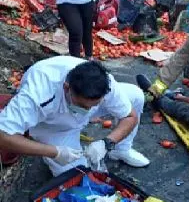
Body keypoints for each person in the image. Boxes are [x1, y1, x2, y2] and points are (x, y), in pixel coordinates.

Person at [0, 57, 150, 177]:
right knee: (76, 175)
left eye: (94, 104)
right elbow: (4, 135)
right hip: (53, 125)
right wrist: (55, 152)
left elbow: (130, 116)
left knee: (136, 95)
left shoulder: (105, 83)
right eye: (83, 105)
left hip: (80, 104)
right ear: (67, 88)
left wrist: (107, 142)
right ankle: (62, 148)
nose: (88, 110)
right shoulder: (38, 93)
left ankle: (121, 150)